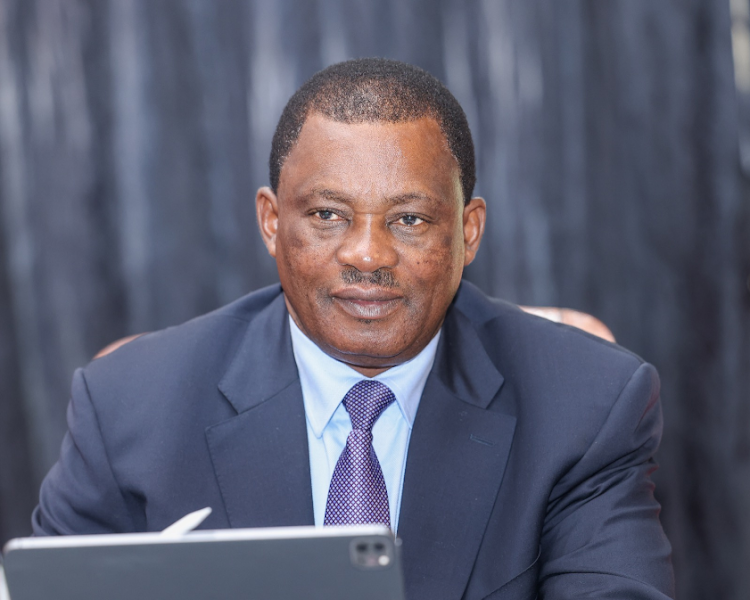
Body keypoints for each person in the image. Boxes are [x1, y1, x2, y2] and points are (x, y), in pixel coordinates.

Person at [32, 58, 675, 599]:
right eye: (329, 215)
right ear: (271, 221)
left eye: (410, 221)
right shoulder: (126, 407)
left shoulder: (587, 408)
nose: (367, 255)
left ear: (468, 230)